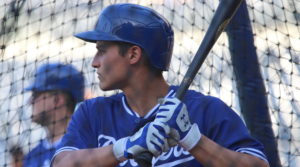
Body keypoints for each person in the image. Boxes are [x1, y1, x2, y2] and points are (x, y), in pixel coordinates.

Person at [52, 3, 269, 167]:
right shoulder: (93, 113)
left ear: (133, 54)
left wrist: (194, 141)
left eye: (102, 50)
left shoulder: (205, 110)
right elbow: (62, 163)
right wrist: (123, 147)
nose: (94, 62)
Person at [23, 62, 85, 167]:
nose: (30, 102)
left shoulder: (87, 148)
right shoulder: (32, 156)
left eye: (36, 95)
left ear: (57, 100)